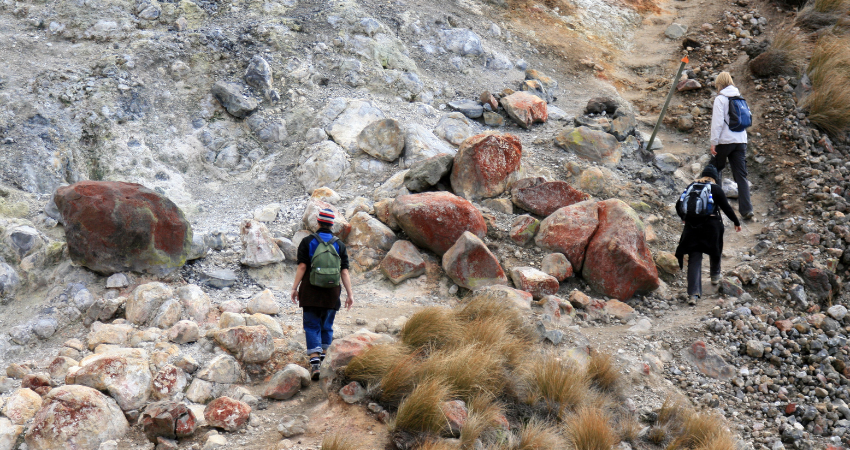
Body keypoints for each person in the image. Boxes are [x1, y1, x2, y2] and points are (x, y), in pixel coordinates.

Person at [291, 208, 354, 379]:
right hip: (331, 293)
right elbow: (345, 272)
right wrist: (349, 294)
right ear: (331, 224)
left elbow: (302, 267)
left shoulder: (308, 241)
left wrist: (294, 288)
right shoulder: (339, 244)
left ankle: (315, 365)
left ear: (318, 222)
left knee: (311, 326)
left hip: (310, 291)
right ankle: (325, 359)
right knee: (327, 325)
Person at [675, 165, 742, 303]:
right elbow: (726, 208)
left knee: (695, 257)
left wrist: (684, 217)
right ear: (715, 178)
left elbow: (678, 204)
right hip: (711, 226)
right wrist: (736, 222)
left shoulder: (691, 186)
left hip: (691, 227)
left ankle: (693, 294)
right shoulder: (715, 188)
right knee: (715, 248)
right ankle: (715, 275)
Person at [710, 71, 754, 220]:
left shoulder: (721, 99)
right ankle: (747, 210)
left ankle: (716, 208)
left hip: (725, 141)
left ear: (719, 83)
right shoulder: (740, 98)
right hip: (741, 140)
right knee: (741, 175)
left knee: (715, 170)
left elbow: (717, 123)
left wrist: (713, 143)